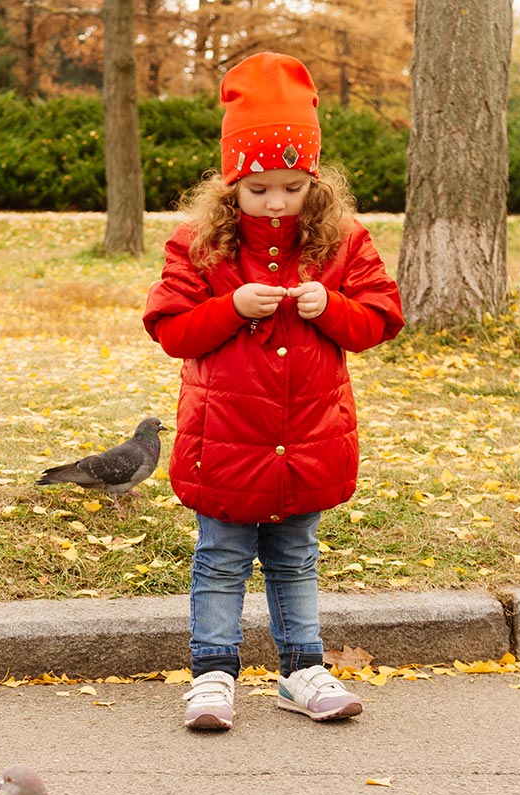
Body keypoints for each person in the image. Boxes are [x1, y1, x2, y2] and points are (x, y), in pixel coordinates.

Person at [143, 52, 405, 731]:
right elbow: (171, 329)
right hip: (225, 441)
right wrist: (234, 308)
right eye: (259, 189)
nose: (277, 202)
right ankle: (211, 675)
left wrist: (332, 308)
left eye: (292, 186)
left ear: (314, 184)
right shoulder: (199, 247)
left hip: (308, 437)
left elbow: (382, 317)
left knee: (294, 557)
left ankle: (302, 670)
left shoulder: (343, 242)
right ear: (232, 186)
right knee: (221, 558)